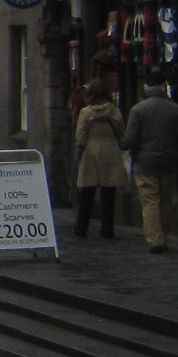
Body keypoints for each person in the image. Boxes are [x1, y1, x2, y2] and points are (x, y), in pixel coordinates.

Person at [124, 74, 178, 253]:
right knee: (166, 201)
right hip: (169, 161)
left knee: (150, 201)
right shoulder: (174, 109)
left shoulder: (138, 109)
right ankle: (163, 234)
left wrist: (130, 149)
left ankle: (155, 239)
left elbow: (131, 138)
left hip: (145, 162)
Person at [73, 81, 128, 240]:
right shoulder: (114, 111)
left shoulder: (85, 113)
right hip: (110, 151)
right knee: (109, 194)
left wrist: (79, 154)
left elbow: (81, 137)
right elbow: (121, 134)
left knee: (87, 194)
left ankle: (81, 228)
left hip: (91, 152)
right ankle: (107, 230)